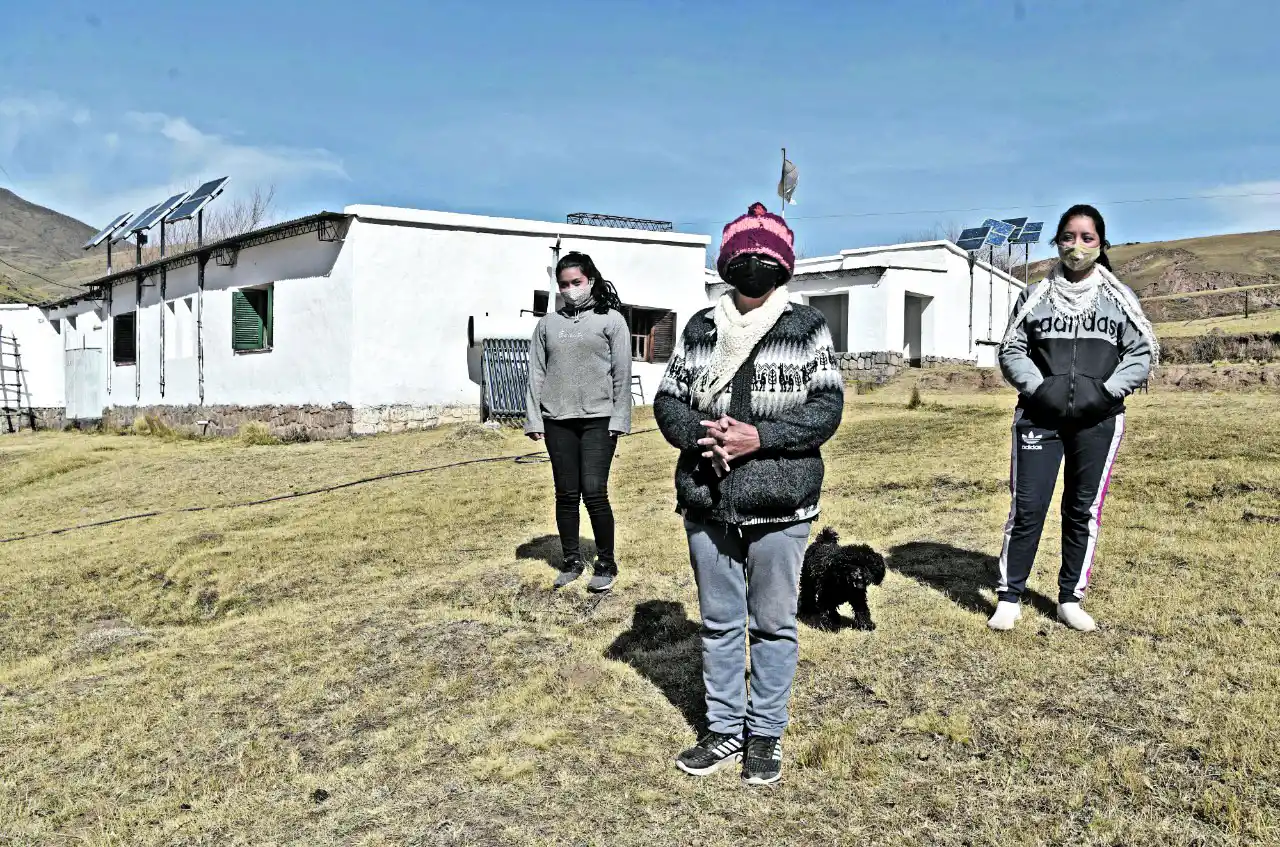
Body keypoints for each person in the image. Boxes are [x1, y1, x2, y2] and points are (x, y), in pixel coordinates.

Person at [655, 202, 843, 786]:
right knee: (718, 622)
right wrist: (706, 438)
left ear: (783, 266)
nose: (753, 267)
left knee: (773, 623)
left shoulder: (805, 328)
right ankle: (723, 728)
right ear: (726, 263)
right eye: (743, 257)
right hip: (707, 500)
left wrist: (758, 437)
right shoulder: (701, 327)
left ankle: (764, 735)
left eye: (765, 258)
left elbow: (826, 409)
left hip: (780, 504)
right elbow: (668, 400)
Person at [992, 204, 1158, 633]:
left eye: (1087, 238)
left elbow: (1140, 353)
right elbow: (1011, 349)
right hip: (1038, 419)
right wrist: (1038, 388)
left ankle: (1070, 597)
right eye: (1068, 237)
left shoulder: (1120, 298)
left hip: (1098, 419)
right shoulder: (1033, 298)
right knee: (1027, 507)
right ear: (1057, 242)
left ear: (1101, 245)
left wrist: (1105, 392)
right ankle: (1010, 595)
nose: (1077, 246)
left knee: (1082, 509)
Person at [525, 251, 632, 593]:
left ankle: (605, 562)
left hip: (599, 420)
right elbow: (536, 374)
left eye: (576, 282)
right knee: (566, 494)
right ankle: (571, 561)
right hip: (557, 420)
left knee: (594, 491)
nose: (570, 289)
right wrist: (534, 419)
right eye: (564, 284)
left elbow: (622, 373)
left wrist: (620, 417)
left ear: (591, 281)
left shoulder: (611, 320)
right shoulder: (547, 325)